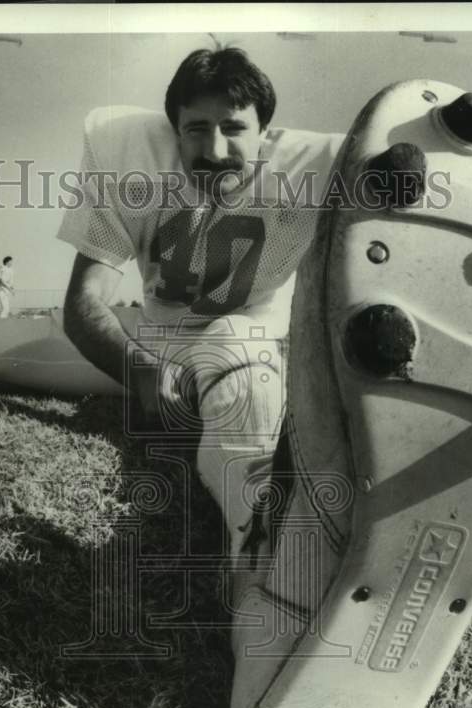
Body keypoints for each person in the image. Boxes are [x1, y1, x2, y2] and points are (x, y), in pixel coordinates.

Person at [57, 45, 343, 577]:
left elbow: (421, 164)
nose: (214, 149)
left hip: (252, 345)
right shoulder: (133, 163)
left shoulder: (312, 167)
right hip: (158, 346)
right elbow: (81, 304)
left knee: (237, 347)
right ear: (174, 130)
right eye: (196, 128)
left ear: (266, 132)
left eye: (234, 127)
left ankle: (262, 557)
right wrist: (138, 368)